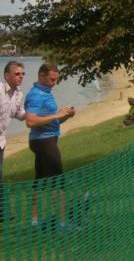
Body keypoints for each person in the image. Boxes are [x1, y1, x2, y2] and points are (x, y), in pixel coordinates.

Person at [25, 63, 76, 226]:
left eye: (56, 80)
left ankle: (34, 220)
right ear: (41, 76)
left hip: (46, 139)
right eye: (51, 80)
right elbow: (30, 121)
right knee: (58, 180)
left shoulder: (46, 92)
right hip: (43, 141)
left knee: (39, 178)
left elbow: (53, 121)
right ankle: (63, 223)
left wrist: (66, 115)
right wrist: (57, 115)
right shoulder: (35, 95)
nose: (54, 83)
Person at [1, 61, 27, 221]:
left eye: (23, 74)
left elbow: (19, 113)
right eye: (17, 74)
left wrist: (35, 115)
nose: (21, 77)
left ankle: (3, 213)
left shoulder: (18, 94)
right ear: (7, 76)